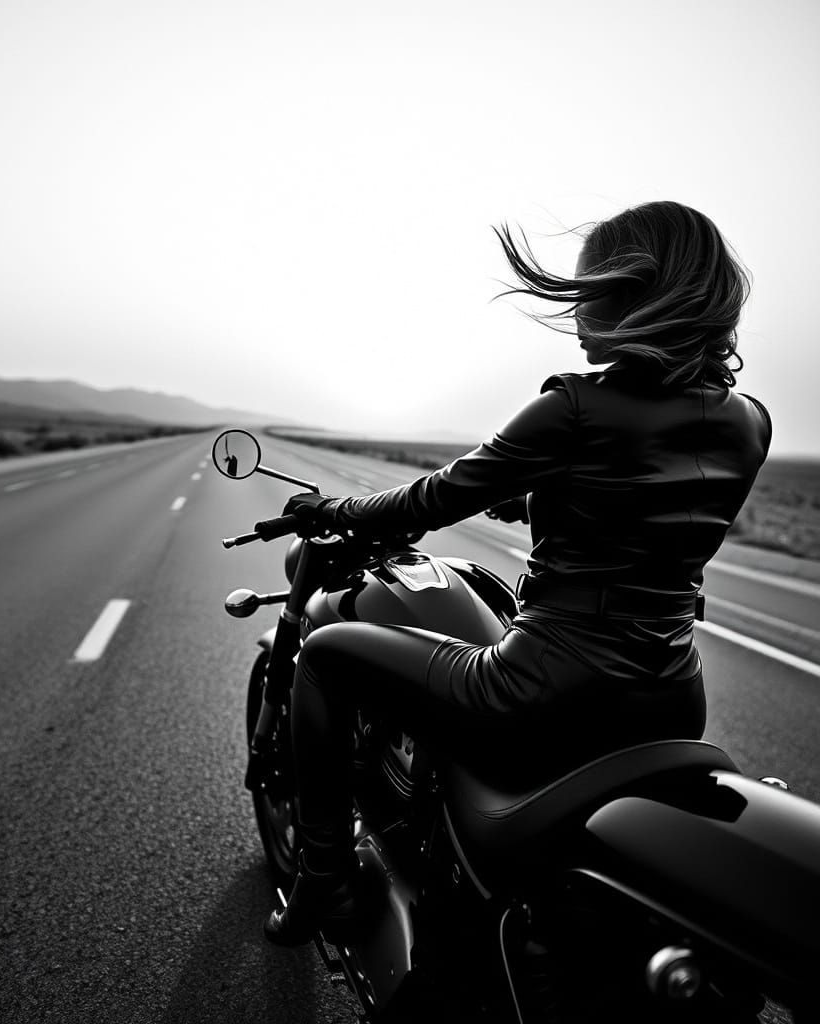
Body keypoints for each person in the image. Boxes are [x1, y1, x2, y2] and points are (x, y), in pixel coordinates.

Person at [263, 200, 772, 947]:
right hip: (669, 696)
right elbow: (653, 514)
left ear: (637, 296)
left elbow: (427, 500)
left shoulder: (572, 406)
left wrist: (335, 508)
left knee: (328, 656)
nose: (574, 310)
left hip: (545, 689)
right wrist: (541, 499)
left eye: (587, 288)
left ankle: (325, 882)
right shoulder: (750, 421)